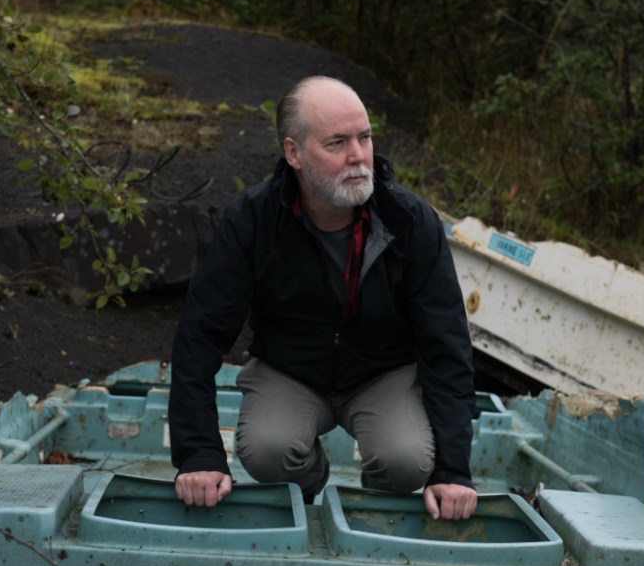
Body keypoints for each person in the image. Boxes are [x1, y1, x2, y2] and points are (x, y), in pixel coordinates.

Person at [168, 76, 478, 520]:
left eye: (364, 137)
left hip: (381, 372)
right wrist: (198, 453)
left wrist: (452, 470)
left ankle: (371, 512)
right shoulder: (253, 220)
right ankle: (310, 480)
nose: (358, 156)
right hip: (290, 369)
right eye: (336, 143)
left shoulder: (410, 221)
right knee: (267, 453)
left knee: (406, 460)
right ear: (294, 153)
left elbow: (447, 344)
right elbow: (199, 336)